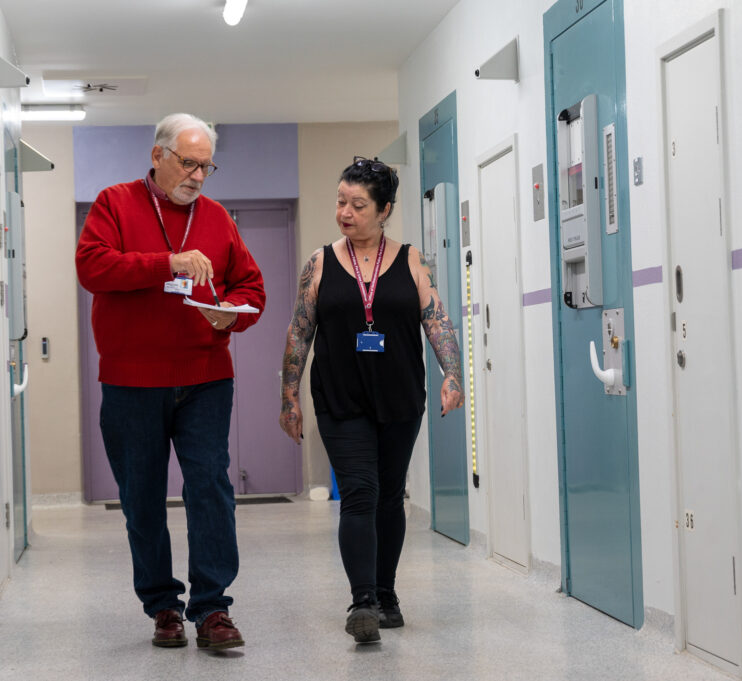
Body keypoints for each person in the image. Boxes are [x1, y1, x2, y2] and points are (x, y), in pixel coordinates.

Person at [75, 113, 265, 650]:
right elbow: (93, 267)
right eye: (189, 162)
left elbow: (251, 287)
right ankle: (162, 605)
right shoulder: (114, 203)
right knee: (142, 498)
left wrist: (234, 313)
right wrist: (167, 264)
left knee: (211, 490)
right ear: (157, 156)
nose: (199, 175)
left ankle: (212, 609)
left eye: (207, 165)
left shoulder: (219, 218)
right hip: (132, 382)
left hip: (205, 378)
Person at [279, 156, 464, 644]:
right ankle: (362, 602)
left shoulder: (412, 260)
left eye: (357, 204)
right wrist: (289, 396)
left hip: (400, 396)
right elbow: (300, 331)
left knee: (388, 495)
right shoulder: (319, 262)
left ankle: (387, 594)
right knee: (358, 493)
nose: (345, 211)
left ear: (384, 210)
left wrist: (453, 373)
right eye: (341, 201)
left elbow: (437, 320)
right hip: (341, 398)